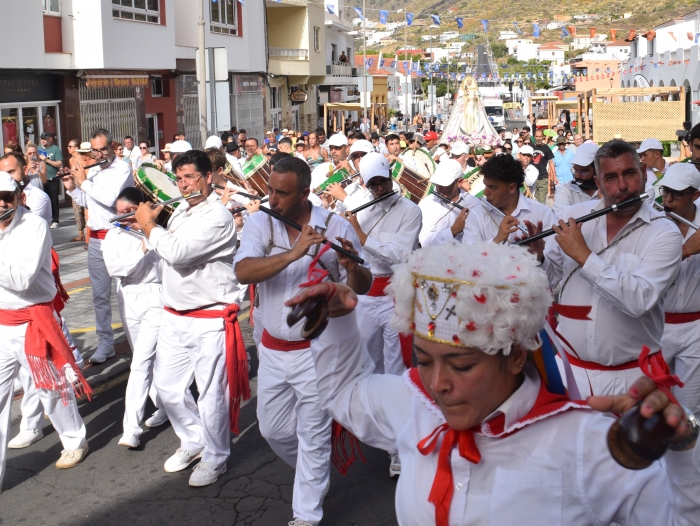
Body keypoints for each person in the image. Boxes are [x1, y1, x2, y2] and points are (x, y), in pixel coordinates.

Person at [289, 240, 700, 526]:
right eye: (423, 360)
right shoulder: (414, 405)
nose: (437, 384)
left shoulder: (585, 442)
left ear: (516, 355)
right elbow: (345, 394)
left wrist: (682, 447)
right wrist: (340, 320)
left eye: (461, 365)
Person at [233, 156, 371, 525]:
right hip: (273, 349)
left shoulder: (335, 224)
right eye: (270, 191)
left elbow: (364, 287)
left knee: (312, 433)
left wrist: (353, 269)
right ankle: (313, 472)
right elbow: (243, 269)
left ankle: (305, 514)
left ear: (306, 193)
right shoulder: (261, 222)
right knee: (273, 429)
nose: (272, 199)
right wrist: (294, 253)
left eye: (282, 193)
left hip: (317, 352)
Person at [533, 140, 683, 397]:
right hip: (570, 372)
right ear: (599, 183)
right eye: (611, 177)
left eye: (630, 174)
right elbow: (553, 279)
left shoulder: (664, 231)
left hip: (634, 377)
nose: (622, 186)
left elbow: (639, 300)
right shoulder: (575, 217)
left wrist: (583, 255)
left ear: (644, 175)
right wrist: (537, 257)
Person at [134, 150, 245, 487]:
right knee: (167, 390)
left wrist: (150, 226)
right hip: (174, 314)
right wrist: (149, 229)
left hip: (209, 317)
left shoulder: (218, 216)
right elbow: (165, 249)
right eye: (179, 178)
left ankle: (215, 457)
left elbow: (178, 253)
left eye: (191, 177)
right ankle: (194, 438)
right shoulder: (181, 209)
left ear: (209, 176)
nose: (184, 185)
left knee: (211, 395)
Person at [0, 172, 90, 484]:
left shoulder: (34, 226)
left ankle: (74, 439)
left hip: (33, 321)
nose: (0, 203)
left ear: (18, 198)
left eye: (5, 196)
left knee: (50, 389)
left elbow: (23, 280)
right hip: (2, 323)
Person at [102, 187, 168, 448]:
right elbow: (115, 269)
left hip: (156, 297)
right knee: (143, 359)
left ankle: (131, 428)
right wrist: (143, 245)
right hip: (128, 297)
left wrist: (150, 231)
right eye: (119, 213)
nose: (122, 218)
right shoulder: (112, 235)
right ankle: (163, 406)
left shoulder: (158, 231)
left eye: (129, 212)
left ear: (142, 207)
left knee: (141, 362)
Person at [61, 128, 134, 364]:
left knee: (124, 292)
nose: (99, 154)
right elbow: (87, 201)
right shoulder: (92, 172)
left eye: (103, 149)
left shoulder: (121, 167)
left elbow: (112, 199)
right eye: (95, 150)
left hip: (118, 237)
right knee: (100, 295)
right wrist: (71, 186)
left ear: (112, 147)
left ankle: (135, 339)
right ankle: (105, 343)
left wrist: (83, 182)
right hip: (95, 239)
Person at [658, 163, 700, 415]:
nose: (668, 199)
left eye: (677, 194)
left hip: (696, 328)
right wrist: (686, 251)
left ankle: (690, 455)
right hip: (655, 326)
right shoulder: (652, 223)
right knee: (652, 403)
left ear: (695, 195)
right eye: (665, 192)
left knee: (690, 409)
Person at [462, 154, 556, 246]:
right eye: (486, 185)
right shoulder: (477, 214)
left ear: (512, 188)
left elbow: (555, 259)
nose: (486, 193)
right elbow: (468, 255)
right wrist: (496, 241)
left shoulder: (542, 213)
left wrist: (539, 257)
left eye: (493, 187)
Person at [418, 159, 474, 247]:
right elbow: (425, 242)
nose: (439, 188)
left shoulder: (474, 203)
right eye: (437, 183)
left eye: (444, 185)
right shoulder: (426, 204)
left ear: (459, 182)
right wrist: (453, 230)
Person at [0, 152, 51, 225]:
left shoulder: (39, 198)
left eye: (11, 172)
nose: (7, 177)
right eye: (3, 174)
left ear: (25, 170)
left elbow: (29, 229)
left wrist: (20, 208)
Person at [552, 142, 600, 220]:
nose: (577, 176)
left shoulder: (607, 192)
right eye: (576, 170)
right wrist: (601, 204)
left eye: (583, 172)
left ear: (597, 170)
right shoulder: (564, 189)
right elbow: (564, 218)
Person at [38, 132, 63, 229]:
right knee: (43, 200)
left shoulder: (55, 149)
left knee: (54, 200)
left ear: (50, 139)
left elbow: (59, 164)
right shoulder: (38, 149)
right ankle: (45, 219)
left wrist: (46, 160)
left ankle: (55, 220)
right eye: (41, 138)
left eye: (45, 138)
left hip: (53, 178)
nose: (43, 140)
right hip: (41, 178)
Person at [65, 140, 87, 242]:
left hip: (81, 182)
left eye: (70, 146)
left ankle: (88, 233)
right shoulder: (70, 160)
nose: (68, 148)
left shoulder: (82, 158)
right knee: (76, 208)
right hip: (74, 183)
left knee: (86, 209)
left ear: (76, 147)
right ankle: (80, 233)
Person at [530, 130, 556, 204]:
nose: (538, 138)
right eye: (537, 136)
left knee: (541, 201)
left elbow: (551, 162)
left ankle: (542, 215)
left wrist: (554, 177)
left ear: (543, 137)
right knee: (532, 201)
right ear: (534, 137)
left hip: (542, 178)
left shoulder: (546, 148)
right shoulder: (530, 147)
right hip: (531, 178)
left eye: (540, 136)